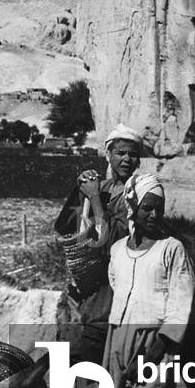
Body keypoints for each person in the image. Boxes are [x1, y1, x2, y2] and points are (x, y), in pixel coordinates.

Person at [104, 172, 195, 388]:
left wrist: (153, 351)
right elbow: (117, 287)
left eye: (159, 208)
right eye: (147, 208)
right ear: (133, 209)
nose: (155, 214)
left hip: (154, 348)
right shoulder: (118, 250)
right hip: (117, 342)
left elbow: (179, 306)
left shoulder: (172, 249)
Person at [54, 125, 144, 361]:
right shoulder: (102, 187)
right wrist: (80, 190)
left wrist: (94, 198)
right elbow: (65, 226)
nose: (126, 159)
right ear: (108, 155)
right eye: (120, 153)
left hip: (112, 287)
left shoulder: (140, 193)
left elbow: (113, 241)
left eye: (133, 154)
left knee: (97, 345)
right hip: (86, 282)